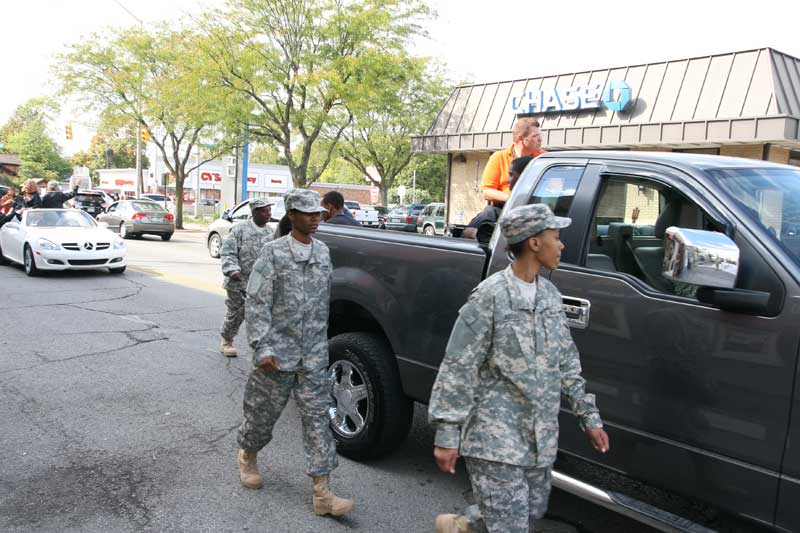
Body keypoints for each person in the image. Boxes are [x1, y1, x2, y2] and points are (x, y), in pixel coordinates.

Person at [429, 204, 610, 533]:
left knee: (529, 510)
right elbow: (458, 366)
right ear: (534, 243)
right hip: (494, 438)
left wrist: (589, 417)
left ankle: (464, 524)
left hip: (539, 438)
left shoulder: (550, 297)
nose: (562, 245)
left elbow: (567, 361)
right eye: (556, 237)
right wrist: (447, 433)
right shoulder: (490, 297)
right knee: (511, 525)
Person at [237, 188, 353, 517]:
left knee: (318, 420)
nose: (315, 218)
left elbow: (322, 306)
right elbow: (256, 302)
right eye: (307, 213)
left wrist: (323, 344)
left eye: (318, 213)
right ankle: (247, 453)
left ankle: (323, 493)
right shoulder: (273, 253)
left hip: (313, 355)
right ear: (291, 215)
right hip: (277, 354)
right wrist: (262, 346)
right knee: (261, 416)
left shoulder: (323, 253)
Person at [219, 198, 275, 357]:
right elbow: (227, 253)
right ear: (255, 212)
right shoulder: (239, 230)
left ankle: (261, 346)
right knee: (237, 313)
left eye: (269, 210)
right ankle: (227, 340)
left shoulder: (270, 232)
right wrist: (232, 270)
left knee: (262, 315)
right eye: (265, 211)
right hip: (239, 282)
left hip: (261, 283)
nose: (268, 214)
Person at [464, 156, 533, 243]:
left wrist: (477, 233)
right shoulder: (543, 207)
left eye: (511, 175)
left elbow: (468, 232)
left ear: (524, 176)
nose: (508, 180)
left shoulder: (498, 212)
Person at [480, 118, 546, 206]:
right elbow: (487, 191)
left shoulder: (544, 158)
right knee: (483, 219)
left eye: (540, 135)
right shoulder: (499, 157)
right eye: (535, 136)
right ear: (521, 138)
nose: (540, 139)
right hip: (504, 209)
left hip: (536, 207)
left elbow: (556, 187)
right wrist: (513, 198)